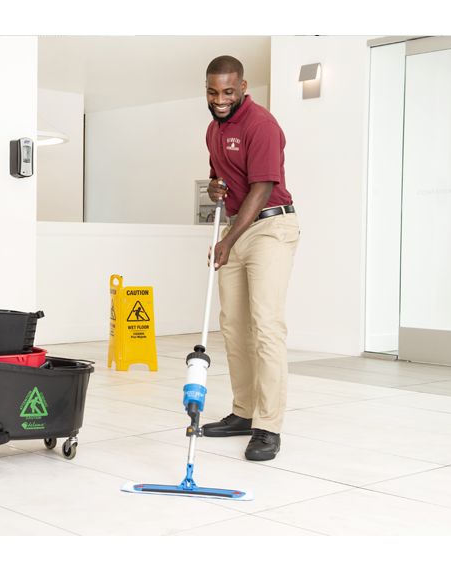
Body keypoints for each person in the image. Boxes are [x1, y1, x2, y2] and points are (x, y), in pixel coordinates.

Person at [200, 55, 300, 461]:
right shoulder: (213, 129)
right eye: (212, 91)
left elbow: (261, 188)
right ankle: (244, 412)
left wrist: (228, 240)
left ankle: (268, 425)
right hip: (239, 227)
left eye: (228, 91)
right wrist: (214, 189)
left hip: (270, 228)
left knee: (266, 327)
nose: (220, 99)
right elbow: (220, 178)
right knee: (234, 326)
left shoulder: (262, 125)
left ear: (243, 87)